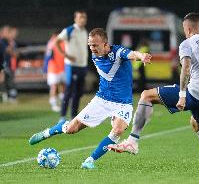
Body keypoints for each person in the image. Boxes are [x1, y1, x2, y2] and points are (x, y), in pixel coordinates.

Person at [108, 12, 199, 173]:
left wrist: (182, 95)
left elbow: (185, 68)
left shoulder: (187, 43)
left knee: (146, 95)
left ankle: (132, 141)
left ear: (188, 28)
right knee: (197, 123)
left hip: (197, 91)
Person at [28, 28, 152, 169]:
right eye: (90, 45)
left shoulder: (117, 52)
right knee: (71, 129)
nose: (92, 48)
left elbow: (131, 54)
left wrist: (141, 56)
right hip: (102, 100)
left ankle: (90, 160)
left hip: (123, 103)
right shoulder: (95, 56)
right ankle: (48, 132)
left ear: (106, 44)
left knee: (118, 131)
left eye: (95, 45)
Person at [56, 10, 88, 121]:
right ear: (75, 19)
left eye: (84, 17)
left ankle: (74, 115)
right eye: (80, 17)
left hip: (82, 66)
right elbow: (57, 41)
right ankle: (62, 116)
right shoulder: (69, 30)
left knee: (79, 92)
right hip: (72, 66)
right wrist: (65, 55)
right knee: (69, 90)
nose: (82, 19)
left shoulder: (85, 31)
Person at [44, 31, 66, 112]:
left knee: (62, 85)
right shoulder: (52, 43)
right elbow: (47, 57)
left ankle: (63, 102)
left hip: (62, 68)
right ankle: (53, 104)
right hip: (53, 69)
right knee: (54, 86)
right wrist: (45, 69)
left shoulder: (64, 42)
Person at [2, 26, 18, 102]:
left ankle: (12, 97)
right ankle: (6, 95)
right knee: (3, 81)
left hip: (9, 65)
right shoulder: (3, 41)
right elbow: (8, 51)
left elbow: (15, 54)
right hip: (4, 64)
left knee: (10, 81)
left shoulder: (11, 42)